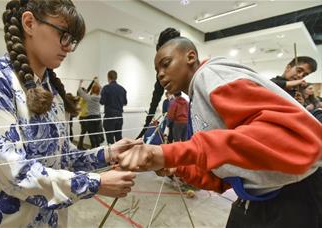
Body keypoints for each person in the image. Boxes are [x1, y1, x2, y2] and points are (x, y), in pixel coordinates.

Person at [0, 1, 137, 227]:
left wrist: (109, 153)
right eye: (64, 35)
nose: (69, 48)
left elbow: (62, 157)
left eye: (73, 41)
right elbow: (15, 173)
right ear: (29, 23)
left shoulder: (52, 91)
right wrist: (95, 183)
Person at [117, 37, 322, 227]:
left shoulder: (213, 75)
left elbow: (284, 138)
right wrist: (177, 167)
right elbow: (224, 174)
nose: (160, 74)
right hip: (259, 197)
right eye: (156, 70)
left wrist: (169, 153)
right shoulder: (196, 98)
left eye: (166, 63)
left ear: (191, 57)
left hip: (295, 194)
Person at [100, 70, 127, 144]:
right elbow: (125, 103)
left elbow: (102, 102)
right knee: (119, 138)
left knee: (110, 139)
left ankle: (112, 155)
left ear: (108, 77)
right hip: (119, 116)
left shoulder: (106, 88)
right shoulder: (122, 89)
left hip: (109, 116)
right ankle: (120, 154)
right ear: (116, 77)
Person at [77, 79, 103, 148]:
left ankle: (94, 149)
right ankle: (98, 148)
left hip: (90, 118)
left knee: (92, 135)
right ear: (98, 91)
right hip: (98, 117)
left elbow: (80, 91)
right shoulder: (100, 97)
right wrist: (98, 83)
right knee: (97, 134)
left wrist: (80, 83)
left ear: (92, 90)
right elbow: (103, 90)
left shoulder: (88, 98)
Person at [77, 78, 96, 150]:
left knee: (83, 132)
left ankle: (80, 145)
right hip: (85, 118)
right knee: (90, 132)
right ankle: (93, 147)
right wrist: (93, 81)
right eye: (84, 91)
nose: (86, 91)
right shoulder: (84, 98)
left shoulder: (81, 98)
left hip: (82, 118)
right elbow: (89, 90)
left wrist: (80, 83)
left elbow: (88, 90)